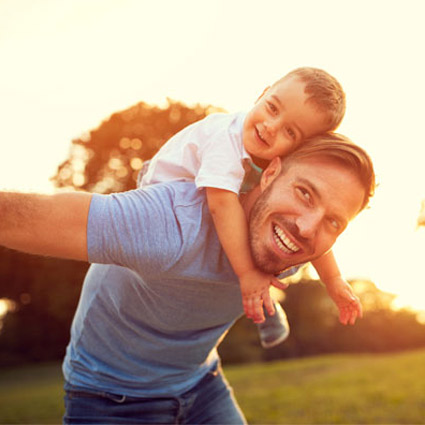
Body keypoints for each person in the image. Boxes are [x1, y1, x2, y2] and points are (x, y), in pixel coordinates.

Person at [0, 133, 375, 424]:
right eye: (305, 193)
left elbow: (316, 236)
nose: (308, 229)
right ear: (271, 172)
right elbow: (29, 217)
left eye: (333, 222)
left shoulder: (291, 240)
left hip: (200, 381)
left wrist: (335, 283)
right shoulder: (172, 223)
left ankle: (267, 310)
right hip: (110, 396)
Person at [139, 67, 362, 349]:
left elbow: (313, 222)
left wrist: (334, 280)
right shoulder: (225, 138)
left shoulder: (275, 159)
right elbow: (221, 204)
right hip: (166, 200)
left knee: (277, 238)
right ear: (263, 93)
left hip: (209, 204)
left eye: (290, 131)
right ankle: (259, 304)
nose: (271, 126)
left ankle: (265, 309)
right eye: (272, 108)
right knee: (243, 252)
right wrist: (247, 273)